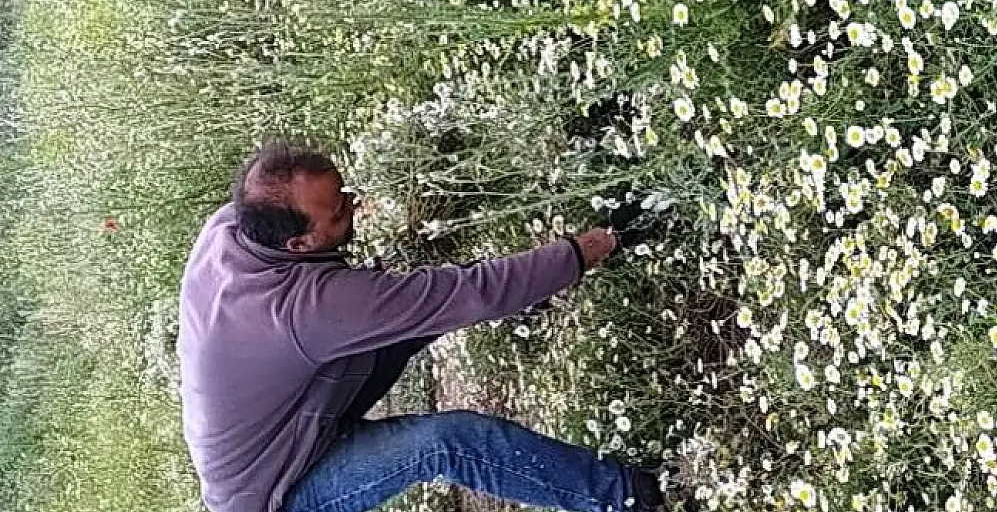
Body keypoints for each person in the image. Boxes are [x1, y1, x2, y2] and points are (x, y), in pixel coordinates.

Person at [176, 140, 671, 512]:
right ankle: (630, 497)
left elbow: (436, 297)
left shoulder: (235, 225)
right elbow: (462, 292)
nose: (355, 204)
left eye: (345, 190)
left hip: (295, 414)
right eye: (341, 210)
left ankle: (532, 303)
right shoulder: (302, 310)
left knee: (416, 313)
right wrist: (592, 248)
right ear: (298, 245)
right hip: (279, 489)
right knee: (447, 442)